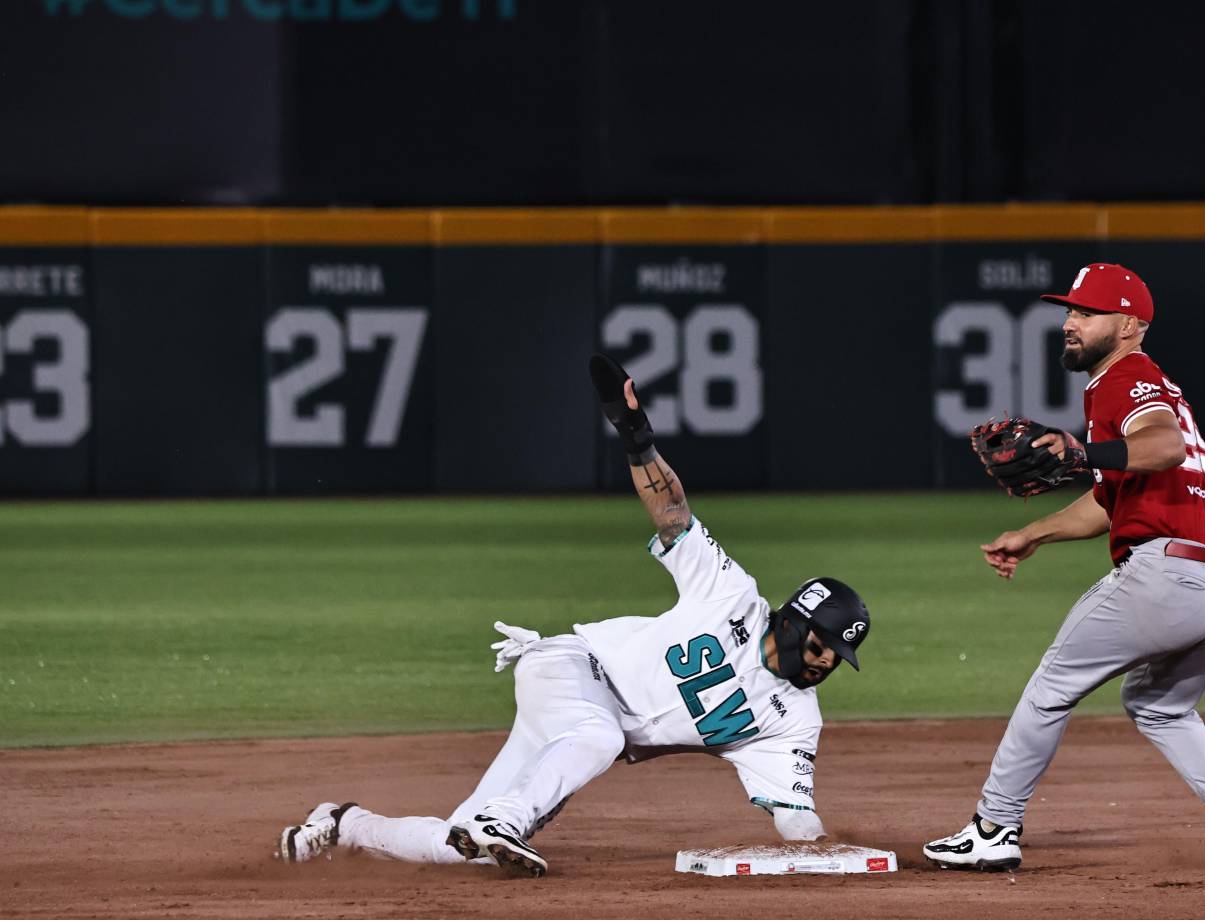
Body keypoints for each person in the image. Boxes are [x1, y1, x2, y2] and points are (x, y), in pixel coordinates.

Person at [276, 354, 870, 878]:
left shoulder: (793, 720)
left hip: (579, 729)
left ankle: (341, 826)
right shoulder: (731, 593)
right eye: (822, 646)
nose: (825, 664)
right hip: (572, 668)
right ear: (794, 622)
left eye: (836, 658)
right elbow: (673, 516)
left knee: (462, 846)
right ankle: (503, 821)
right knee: (598, 736)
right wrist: (635, 433)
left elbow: (796, 818)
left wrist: (829, 852)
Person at [924, 264, 1205, 873]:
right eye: (1069, 311)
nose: (1070, 322)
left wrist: (1079, 449)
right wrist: (1032, 533)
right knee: (1160, 704)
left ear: (1130, 325)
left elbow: (1164, 445)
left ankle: (993, 828)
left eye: (1086, 312)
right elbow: (1109, 499)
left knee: (1049, 690)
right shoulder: (1140, 385)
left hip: (1170, 578)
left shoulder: (1127, 378)